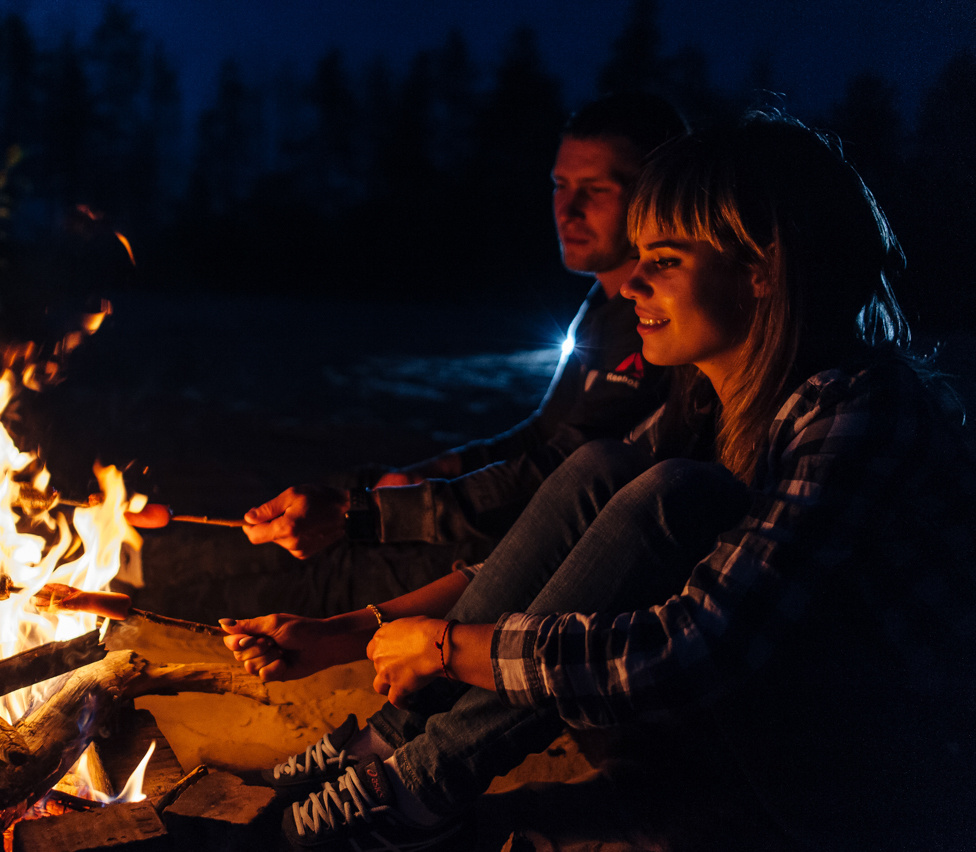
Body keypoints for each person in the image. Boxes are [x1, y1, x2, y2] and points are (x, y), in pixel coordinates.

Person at [222, 110, 976, 851]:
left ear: (763, 270)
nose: (631, 286)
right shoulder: (715, 402)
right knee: (605, 471)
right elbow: (578, 551)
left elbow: (691, 648)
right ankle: (395, 757)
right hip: (756, 742)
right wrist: (353, 630)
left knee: (672, 494)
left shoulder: (861, 410)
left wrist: (448, 647)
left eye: (666, 261)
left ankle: (417, 786)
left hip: (871, 792)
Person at [135, 93, 686, 622]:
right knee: (350, 485)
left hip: (532, 548)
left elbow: (562, 468)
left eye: (597, 189)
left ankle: (150, 596)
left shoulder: (661, 322)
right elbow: (542, 431)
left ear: (655, 193)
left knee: (335, 566)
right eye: (560, 185)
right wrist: (430, 472)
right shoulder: (603, 301)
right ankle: (137, 556)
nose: (568, 208)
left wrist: (371, 515)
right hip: (513, 512)